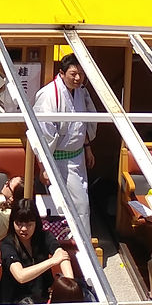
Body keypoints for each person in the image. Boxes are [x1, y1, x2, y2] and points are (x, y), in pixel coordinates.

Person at [33, 53, 97, 234]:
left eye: (81, 74)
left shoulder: (81, 91)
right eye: (73, 74)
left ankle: (76, 239)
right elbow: (43, 135)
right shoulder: (49, 95)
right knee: (80, 205)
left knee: (80, 201)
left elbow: (81, 124)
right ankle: (82, 245)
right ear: (61, 73)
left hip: (78, 156)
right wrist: (43, 167)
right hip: (59, 160)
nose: (78, 78)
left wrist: (87, 147)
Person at [0, 197, 74, 305]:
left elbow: (61, 255)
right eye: (19, 223)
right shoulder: (7, 243)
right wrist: (52, 261)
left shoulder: (45, 236)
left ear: (36, 223)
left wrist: (69, 283)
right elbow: (20, 276)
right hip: (15, 302)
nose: (23, 229)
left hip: (43, 298)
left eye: (29, 224)